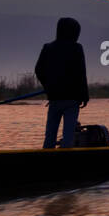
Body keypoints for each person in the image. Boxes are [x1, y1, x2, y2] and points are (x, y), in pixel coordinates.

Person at [33, 17, 89, 148]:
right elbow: (81, 73)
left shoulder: (48, 48)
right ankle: (65, 162)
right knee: (68, 136)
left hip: (55, 98)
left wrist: (48, 86)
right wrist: (84, 96)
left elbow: (39, 70)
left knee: (50, 136)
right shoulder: (77, 48)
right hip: (71, 99)